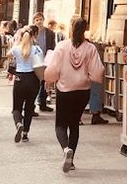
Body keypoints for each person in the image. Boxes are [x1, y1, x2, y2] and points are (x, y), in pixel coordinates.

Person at [43, 17, 105, 173]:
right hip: (83, 91)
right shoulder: (90, 48)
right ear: (85, 29)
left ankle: (66, 150)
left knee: (60, 125)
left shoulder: (62, 46)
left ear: (71, 28)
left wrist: (49, 79)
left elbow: (53, 68)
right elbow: (98, 71)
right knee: (74, 124)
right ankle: (71, 161)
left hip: (64, 89)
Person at [9, 27, 45, 142]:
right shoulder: (37, 49)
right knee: (29, 107)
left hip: (20, 78)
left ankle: (18, 123)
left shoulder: (17, 49)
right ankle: (25, 133)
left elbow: (9, 54)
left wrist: (17, 42)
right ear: (33, 37)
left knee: (17, 107)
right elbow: (41, 62)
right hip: (33, 78)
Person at [33, 13, 56, 112]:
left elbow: (52, 46)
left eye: (41, 19)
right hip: (34, 59)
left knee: (44, 82)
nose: (39, 22)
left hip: (45, 59)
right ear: (34, 21)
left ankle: (42, 102)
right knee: (34, 82)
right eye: (37, 20)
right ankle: (31, 105)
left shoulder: (49, 33)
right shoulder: (31, 31)